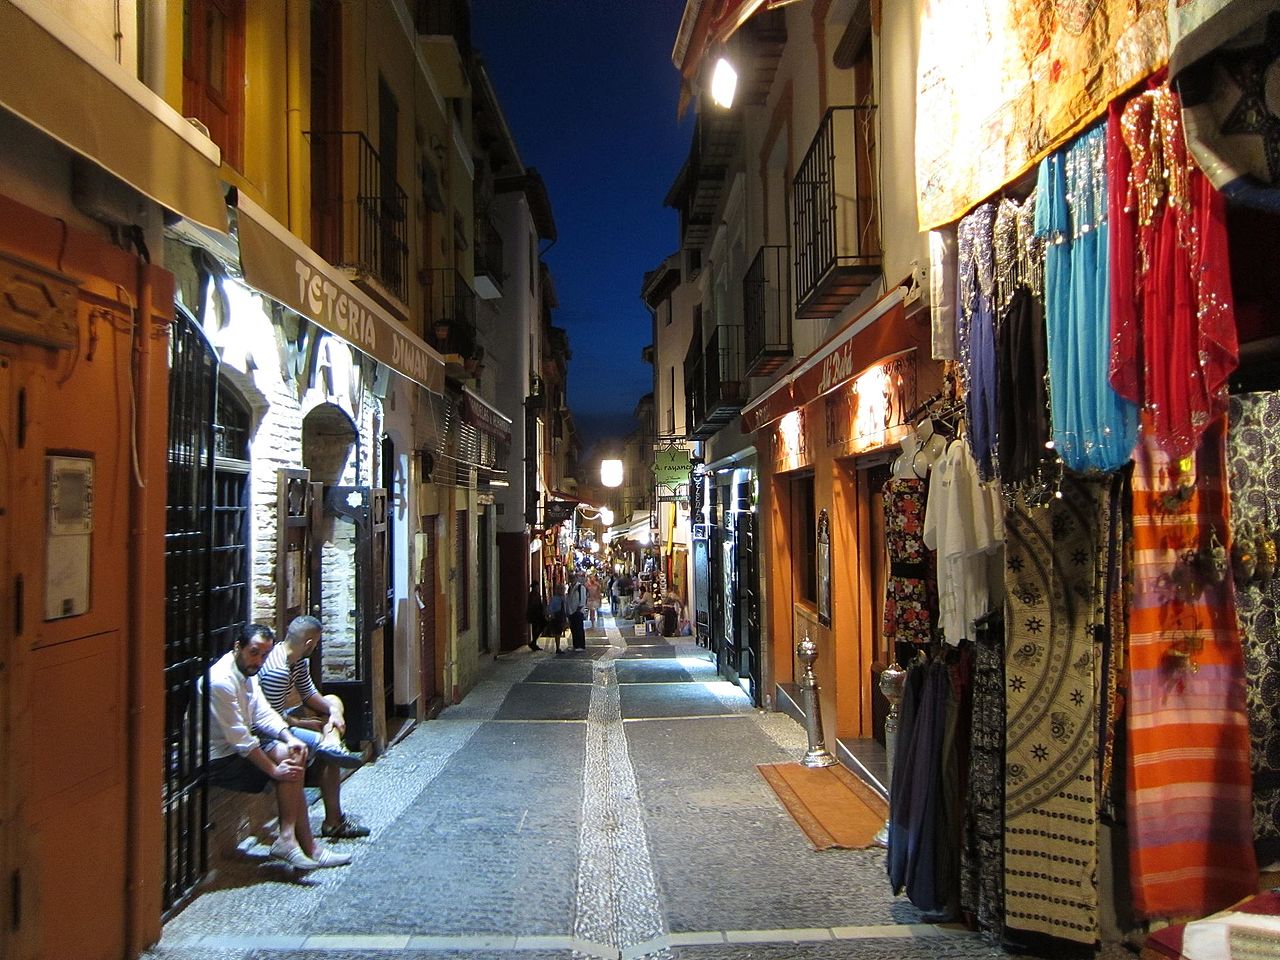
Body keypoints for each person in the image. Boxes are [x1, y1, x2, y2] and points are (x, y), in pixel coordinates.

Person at [204, 623, 351, 870]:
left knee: (293, 754)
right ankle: (299, 843)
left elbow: (264, 713)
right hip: (217, 760)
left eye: (263, 655)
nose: (259, 660)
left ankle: (298, 843)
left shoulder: (246, 673)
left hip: (237, 749)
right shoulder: (222, 682)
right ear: (237, 647)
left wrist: (289, 737)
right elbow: (242, 740)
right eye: (254, 653)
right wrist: (274, 771)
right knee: (289, 763)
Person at [257, 616, 370, 841]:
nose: (316, 647)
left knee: (333, 700)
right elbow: (268, 718)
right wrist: (301, 723)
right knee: (326, 752)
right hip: (268, 733)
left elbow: (309, 693)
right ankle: (334, 821)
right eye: (316, 644)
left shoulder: (296, 659)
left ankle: (332, 743)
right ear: (309, 643)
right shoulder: (277, 671)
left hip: (283, 720)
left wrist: (333, 712)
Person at [567, 573, 588, 650]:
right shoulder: (570, 587)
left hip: (578, 612)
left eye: (573, 578)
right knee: (573, 629)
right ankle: (575, 645)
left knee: (579, 628)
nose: (571, 579)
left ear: (576, 578)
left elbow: (583, 600)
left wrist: (578, 610)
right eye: (570, 578)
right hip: (571, 611)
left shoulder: (580, 587)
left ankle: (581, 645)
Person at [547, 582, 567, 653]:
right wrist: (552, 615)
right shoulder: (555, 599)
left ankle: (558, 647)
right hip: (557, 617)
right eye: (561, 589)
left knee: (559, 632)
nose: (562, 591)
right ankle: (558, 648)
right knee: (557, 633)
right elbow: (550, 608)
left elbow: (566, 608)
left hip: (562, 617)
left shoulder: (564, 598)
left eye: (563, 589)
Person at [525, 582, 546, 651]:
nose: (537, 588)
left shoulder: (536, 594)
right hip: (535, 614)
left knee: (538, 627)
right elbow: (533, 605)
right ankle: (534, 642)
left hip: (537, 614)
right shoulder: (533, 595)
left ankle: (534, 642)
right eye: (536, 587)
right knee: (537, 627)